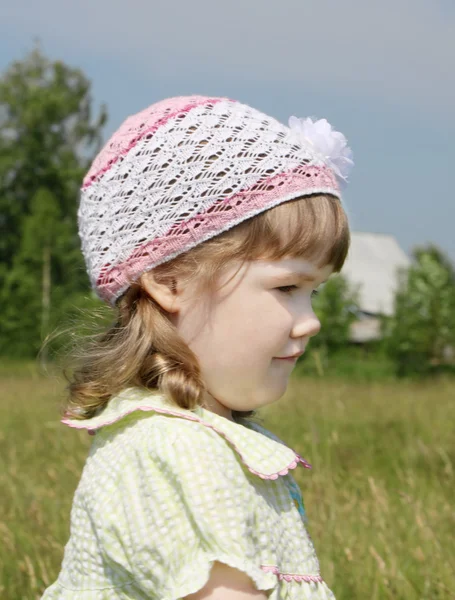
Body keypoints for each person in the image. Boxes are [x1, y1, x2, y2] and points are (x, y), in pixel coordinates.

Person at [41, 95, 354, 599]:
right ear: (170, 279)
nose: (311, 322)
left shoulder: (201, 439)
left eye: (313, 293)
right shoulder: (178, 452)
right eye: (286, 289)